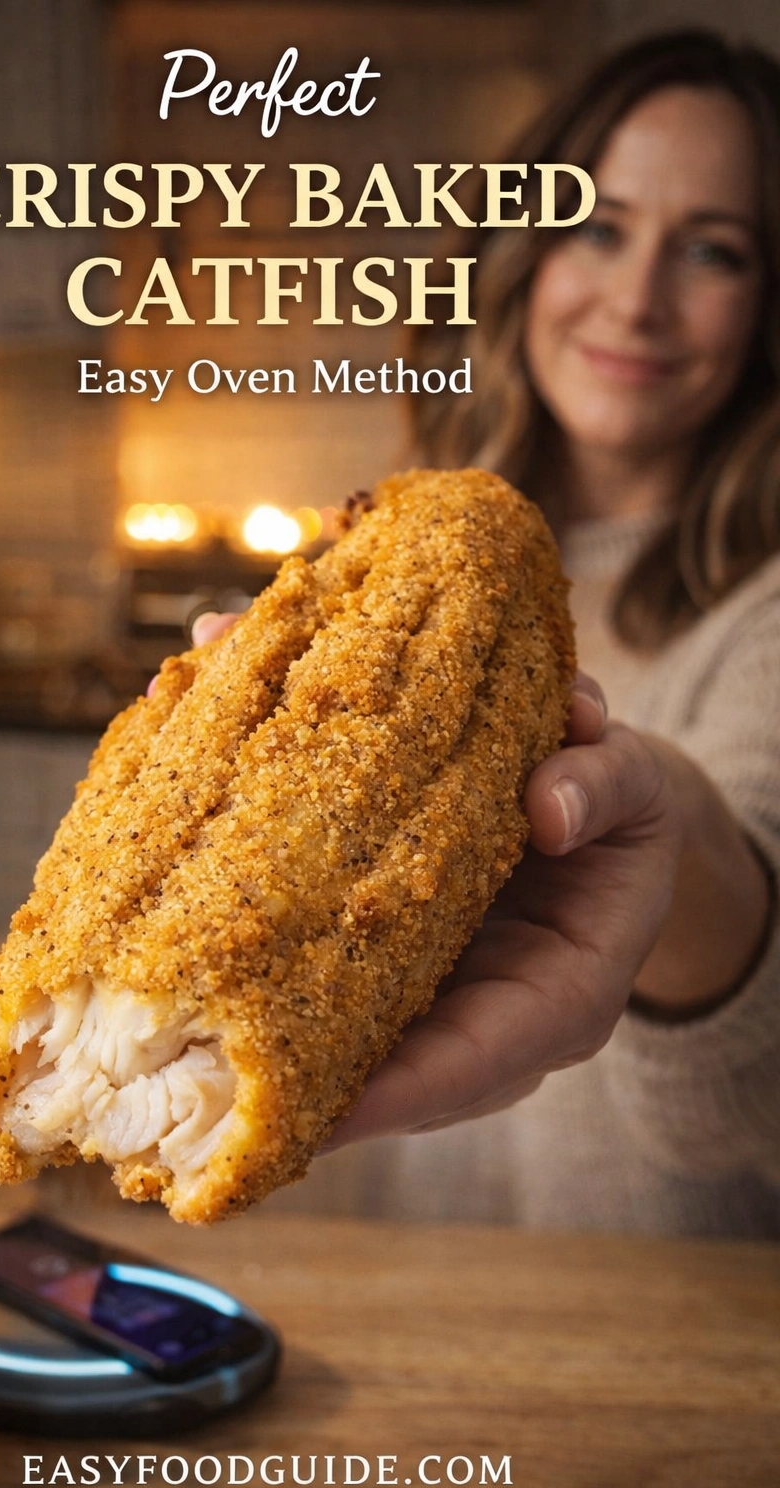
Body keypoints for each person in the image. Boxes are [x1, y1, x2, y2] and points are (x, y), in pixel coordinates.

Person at [193, 29, 780, 1236]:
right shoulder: (393, 563)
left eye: (712, 250)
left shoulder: (763, 611)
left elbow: (749, 1100)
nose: (636, 298)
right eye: (599, 226)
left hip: (664, 1346)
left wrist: (648, 813)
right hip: (402, 1314)